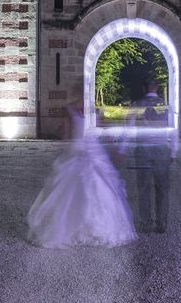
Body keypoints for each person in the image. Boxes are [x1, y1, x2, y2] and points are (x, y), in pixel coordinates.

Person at [27, 91, 137, 248]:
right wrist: (114, 149)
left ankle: (83, 228)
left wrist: (69, 148)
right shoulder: (88, 110)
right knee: (91, 189)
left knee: (86, 189)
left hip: (86, 152)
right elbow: (103, 133)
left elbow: (67, 137)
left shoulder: (76, 109)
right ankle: (87, 228)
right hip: (84, 152)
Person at [130, 80, 178, 233]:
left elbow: (129, 127)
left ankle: (146, 223)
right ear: (157, 87)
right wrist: (173, 151)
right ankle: (161, 223)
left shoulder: (137, 104)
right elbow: (173, 130)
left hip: (143, 149)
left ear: (145, 87)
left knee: (143, 188)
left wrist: (123, 148)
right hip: (161, 149)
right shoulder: (166, 106)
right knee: (162, 188)